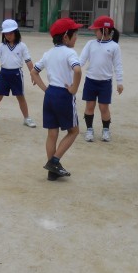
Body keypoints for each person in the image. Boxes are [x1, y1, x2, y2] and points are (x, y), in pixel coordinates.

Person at [30, 17, 83, 181]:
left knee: (52, 133)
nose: (77, 38)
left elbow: (34, 72)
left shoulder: (48, 53)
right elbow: (78, 70)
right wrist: (74, 89)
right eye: (75, 34)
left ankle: (52, 173)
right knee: (74, 131)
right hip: (64, 95)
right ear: (66, 36)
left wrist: (45, 89)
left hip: (50, 94)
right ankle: (54, 162)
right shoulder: (70, 52)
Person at [0, 19, 37, 129]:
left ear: (16, 32)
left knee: (21, 97)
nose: (8, 36)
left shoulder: (22, 46)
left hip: (16, 74)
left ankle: (27, 118)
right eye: (6, 34)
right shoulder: (1, 46)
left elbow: (28, 61)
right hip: (4, 74)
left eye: (10, 33)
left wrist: (33, 74)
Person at [79, 16, 124, 142]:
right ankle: (89, 129)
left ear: (105, 30)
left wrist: (120, 82)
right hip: (90, 81)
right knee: (90, 106)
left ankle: (105, 130)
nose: (94, 32)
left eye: (96, 30)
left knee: (104, 107)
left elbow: (118, 65)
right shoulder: (90, 44)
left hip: (105, 83)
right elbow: (81, 60)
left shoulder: (114, 46)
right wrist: (71, 69)